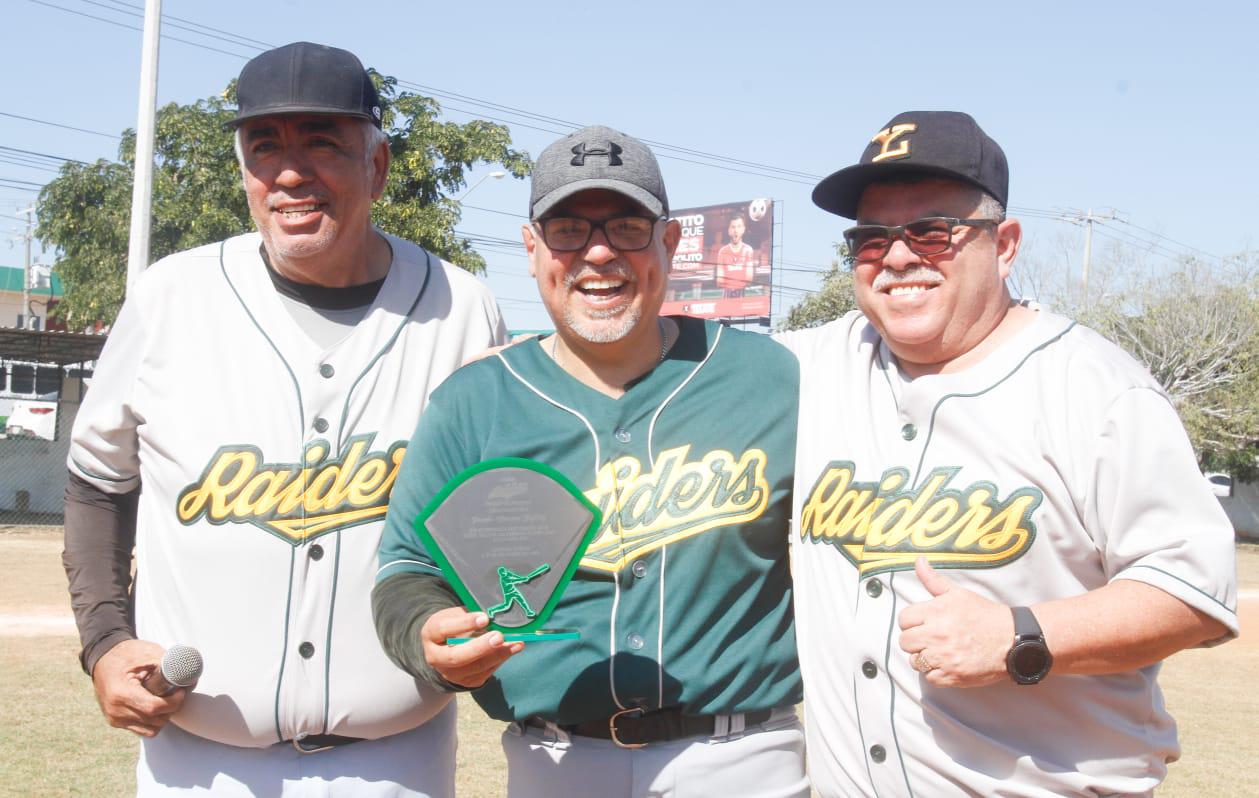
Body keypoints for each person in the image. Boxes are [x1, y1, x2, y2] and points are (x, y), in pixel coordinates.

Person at [62, 42, 506, 797]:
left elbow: (496, 508)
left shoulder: (459, 308)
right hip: (200, 763)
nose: (290, 172)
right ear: (243, 170)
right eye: (264, 147)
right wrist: (105, 642)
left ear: (378, 166)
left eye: (322, 143)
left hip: (397, 759)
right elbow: (98, 483)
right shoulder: (173, 296)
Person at [776, 110, 1239, 797]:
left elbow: (1194, 594)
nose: (897, 257)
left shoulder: (1094, 389)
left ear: (1004, 244)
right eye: (870, 239)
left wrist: (1022, 634)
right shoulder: (806, 368)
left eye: (930, 231)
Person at [374, 125, 806, 798]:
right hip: (553, 760)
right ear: (531, 249)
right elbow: (407, 565)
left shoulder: (770, 380)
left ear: (669, 241)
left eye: (628, 226)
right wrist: (423, 631)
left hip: (741, 756)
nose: (598, 253)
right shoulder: (474, 400)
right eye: (568, 229)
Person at [714, 214, 757, 297]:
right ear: (729, 230)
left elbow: (749, 278)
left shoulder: (748, 250)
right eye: (733, 227)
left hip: (743, 293)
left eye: (739, 226)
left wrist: (735, 284)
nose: (736, 230)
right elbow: (720, 280)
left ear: (743, 229)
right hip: (726, 293)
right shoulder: (722, 251)